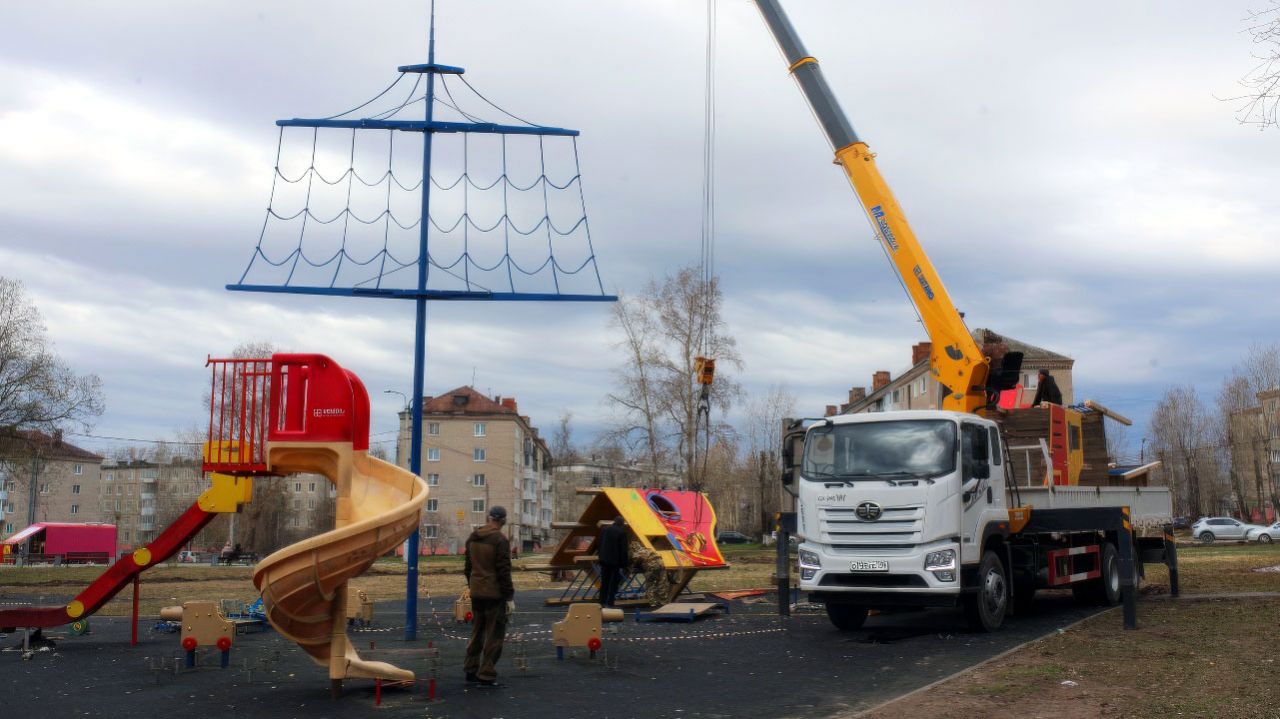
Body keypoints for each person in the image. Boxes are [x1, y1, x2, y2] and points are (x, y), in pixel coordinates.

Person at [463, 505, 515, 687]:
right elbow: (503, 571)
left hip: (477, 592)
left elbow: (467, 568)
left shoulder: (473, 537)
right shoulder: (500, 540)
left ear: (489, 517)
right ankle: (486, 674)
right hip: (494, 594)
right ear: (503, 520)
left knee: (477, 630)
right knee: (494, 634)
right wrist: (509, 597)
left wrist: (473, 585)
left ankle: (470, 669)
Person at [596, 516, 629, 607]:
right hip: (614, 562)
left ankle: (602, 601)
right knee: (613, 583)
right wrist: (625, 564)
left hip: (603, 560)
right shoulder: (622, 533)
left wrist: (600, 557)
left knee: (604, 581)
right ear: (622, 524)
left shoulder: (604, 530)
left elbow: (599, 544)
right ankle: (610, 601)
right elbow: (623, 550)